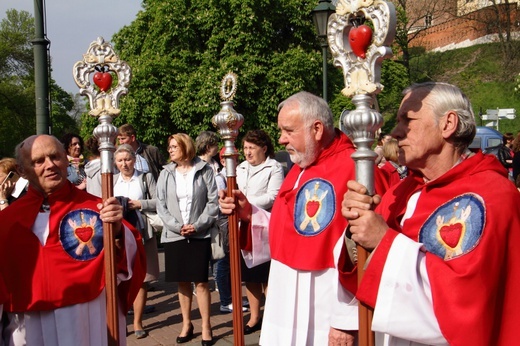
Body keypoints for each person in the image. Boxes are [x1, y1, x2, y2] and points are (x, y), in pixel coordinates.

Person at [341, 82, 520, 345]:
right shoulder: (403, 190)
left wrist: (383, 241)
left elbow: (467, 302)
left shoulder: (491, 194)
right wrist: (355, 228)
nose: (395, 132)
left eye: (408, 120)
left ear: (448, 124)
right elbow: (366, 266)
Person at [219, 91, 387, 345]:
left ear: (317, 129)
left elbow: (366, 254)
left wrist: (347, 319)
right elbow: (290, 231)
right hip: (285, 297)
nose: (281, 139)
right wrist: (249, 214)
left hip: (326, 308)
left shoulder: (356, 169)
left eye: (288, 131)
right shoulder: (300, 168)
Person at [0, 134, 145, 345]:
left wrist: (117, 233)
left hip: (85, 317)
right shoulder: (6, 222)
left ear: (66, 159)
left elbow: (131, 255)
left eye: (55, 157)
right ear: (22, 171)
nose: (50, 165)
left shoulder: (99, 210)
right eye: (39, 161)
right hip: (27, 323)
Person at [156, 133, 218, 345]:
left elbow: (213, 202)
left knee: (201, 282)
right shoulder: (165, 173)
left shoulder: (205, 170)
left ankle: (206, 326)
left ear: (185, 147)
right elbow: (160, 205)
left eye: (174, 146)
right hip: (175, 235)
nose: (170, 150)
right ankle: (186, 324)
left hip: (199, 233)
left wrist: (197, 225)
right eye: (169, 146)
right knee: (182, 282)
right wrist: (177, 226)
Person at [236, 129, 284, 334]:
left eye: (252, 148)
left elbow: (274, 196)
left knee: (267, 275)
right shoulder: (240, 168)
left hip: (264, 225)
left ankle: (275, 315)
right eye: (245, 148)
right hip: (243, 225)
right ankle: (254, 316)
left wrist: (246, 205)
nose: (247, 152)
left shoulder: (274, 167)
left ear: (264, 148)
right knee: (250, 275)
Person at [113, 144, 160, 339]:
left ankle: (138, 322)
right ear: (115, 163)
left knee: (141, 278)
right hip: (117, 234)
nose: (124, 164)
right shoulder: (110, 180)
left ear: (134, 160)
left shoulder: (145, 177)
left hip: (142, 232)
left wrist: (137, 204)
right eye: (120, 160)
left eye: (128, 159)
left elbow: (160, 201)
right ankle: (120, 320)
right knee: (118, 279)